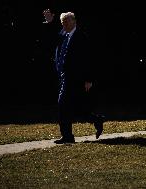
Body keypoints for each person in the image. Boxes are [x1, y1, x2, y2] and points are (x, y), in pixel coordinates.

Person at [42, 9, 104, 144]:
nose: (64, 24)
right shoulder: (63, 35)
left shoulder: (81, 36)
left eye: (67, 21)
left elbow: (89, 58)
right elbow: (52, 35)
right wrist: (50, 22)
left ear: (74, 21)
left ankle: (67, 136)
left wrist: (89, 79)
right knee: (78, 108)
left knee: (62, 105)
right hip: (64, 77)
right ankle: (97, 119)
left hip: (77, 77)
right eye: (62, 22)